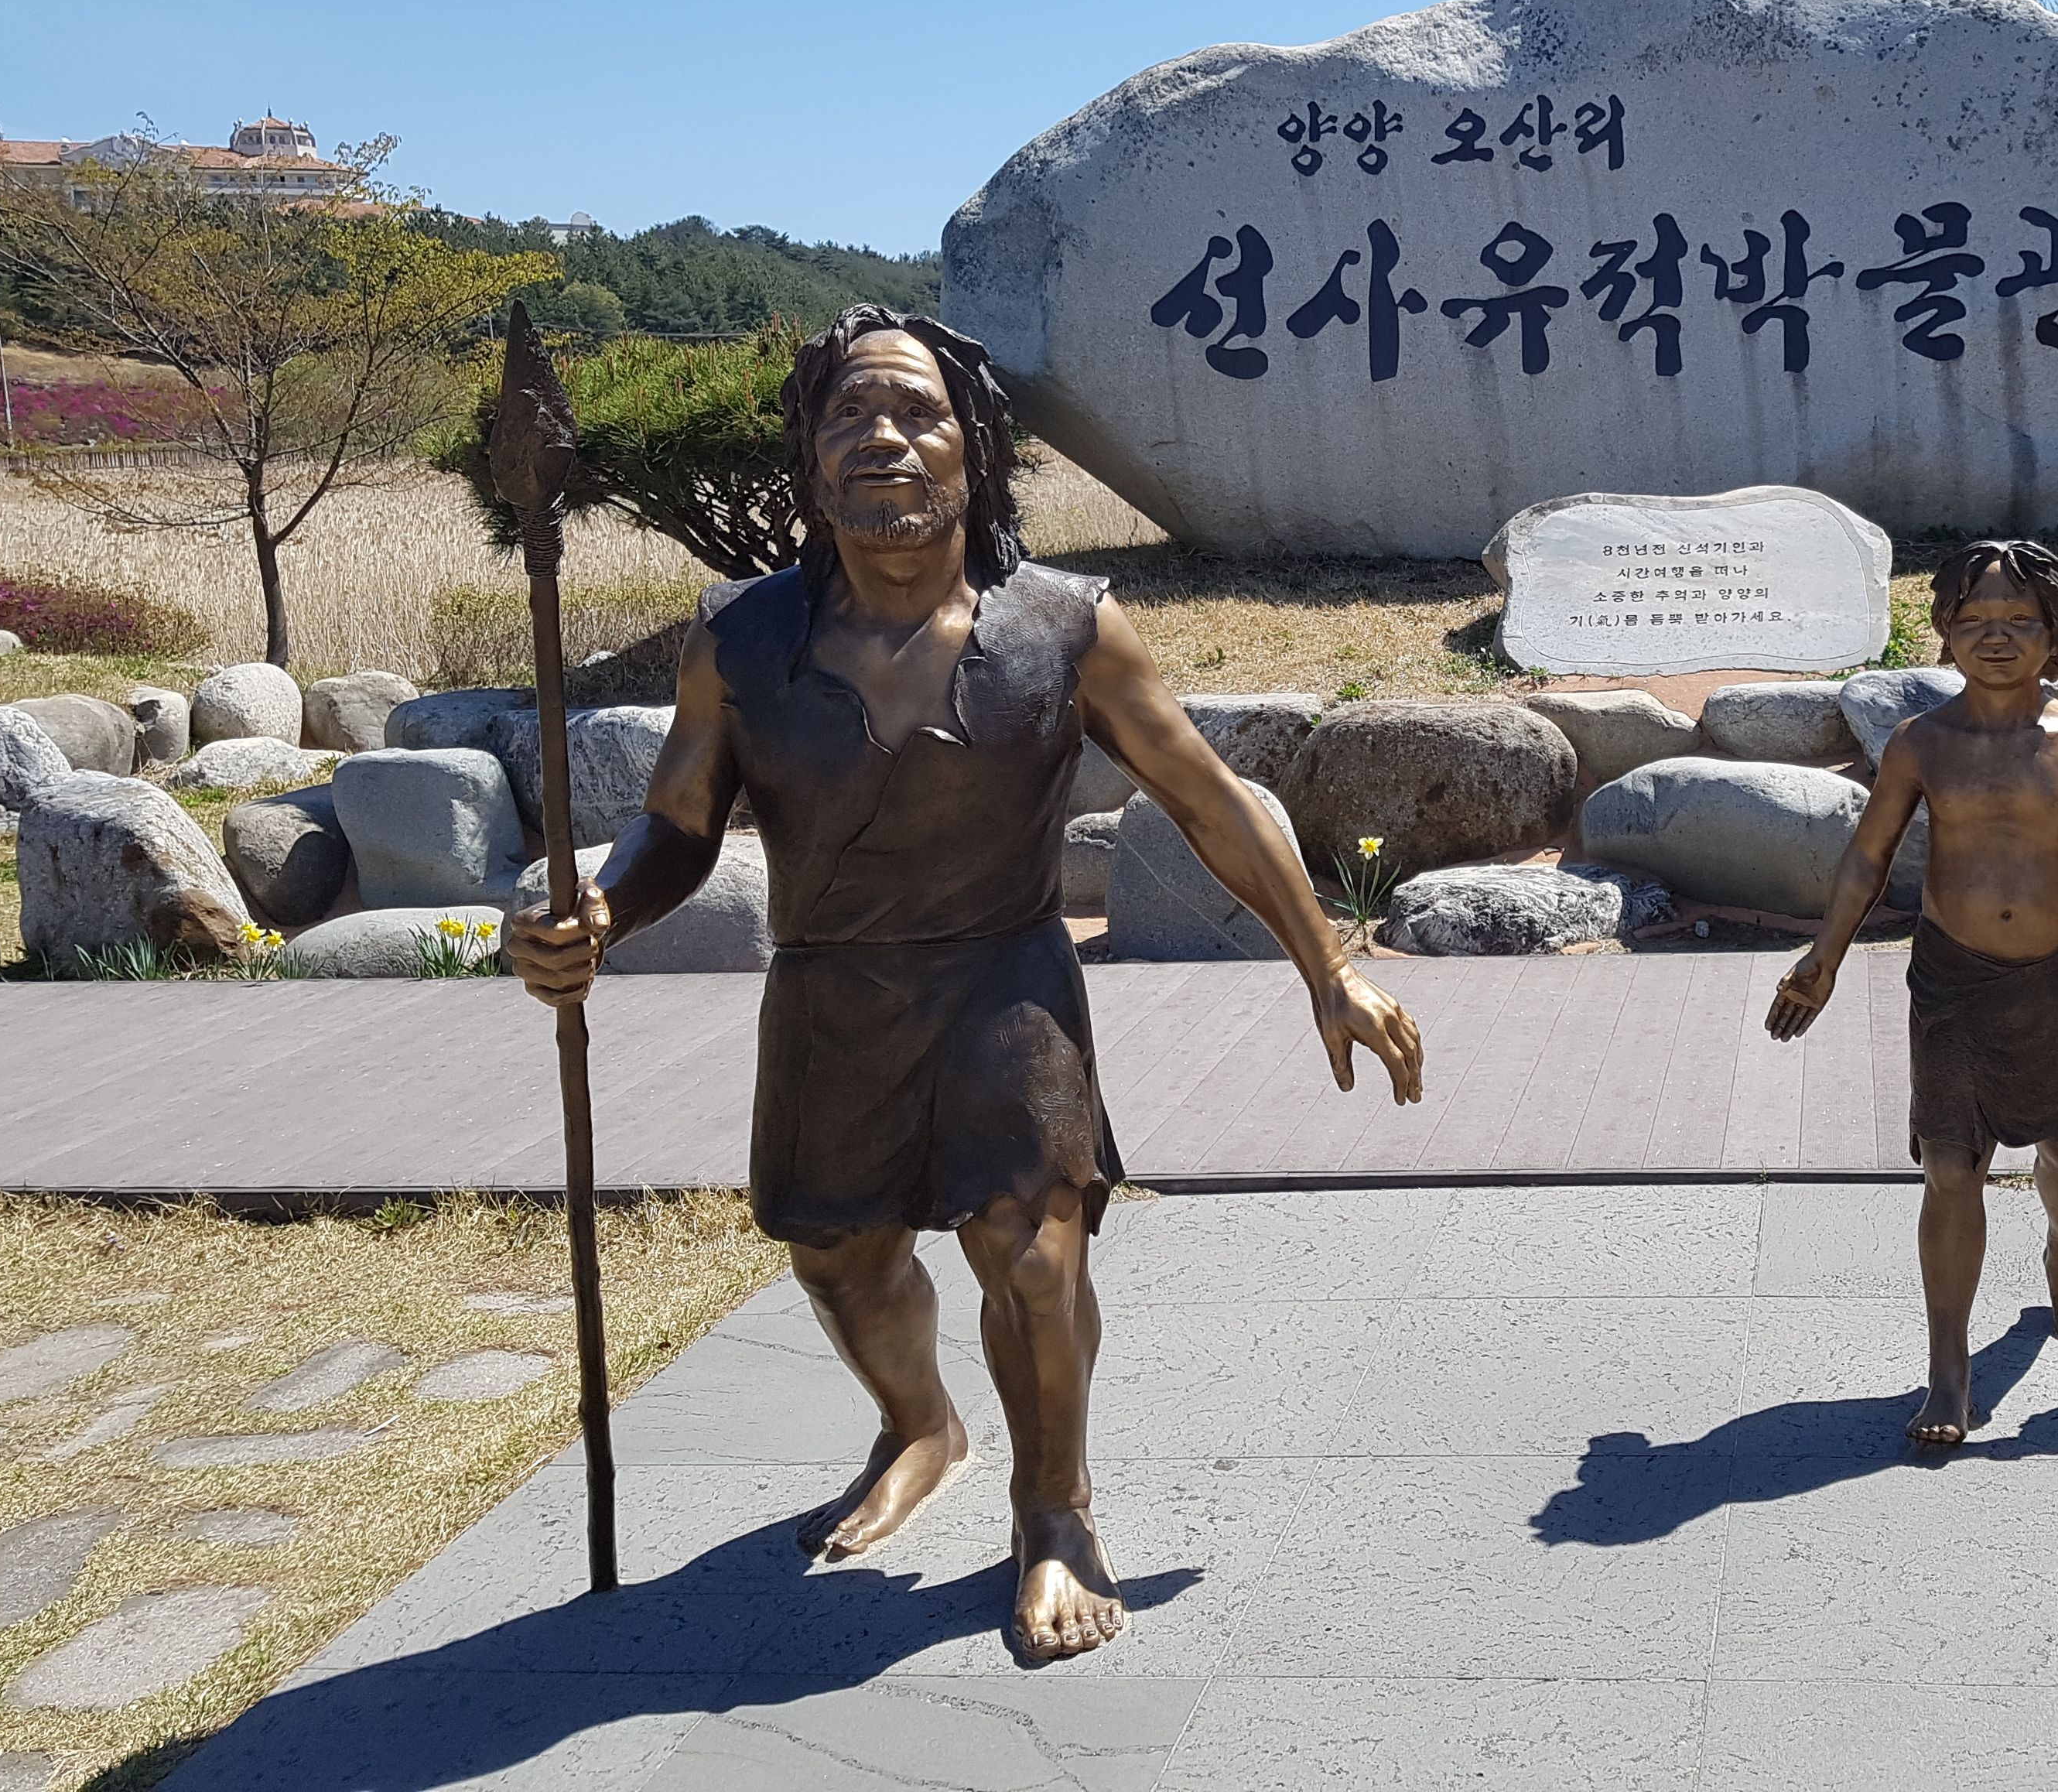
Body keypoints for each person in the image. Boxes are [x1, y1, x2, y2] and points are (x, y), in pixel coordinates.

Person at [505, 305, 1423, 1658]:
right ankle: (920, 1424)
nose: (882, 436)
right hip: (830, 995)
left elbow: (1210, 797)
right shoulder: (739, 641)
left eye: (917, 411)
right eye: (848, 414)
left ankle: (1056, 1512)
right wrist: (598, 907)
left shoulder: (1066, 625)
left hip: (1007, 985)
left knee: (1034, 1258)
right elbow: (680, 827)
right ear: (810, 457)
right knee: (840, 1259)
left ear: (973, 449)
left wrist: (1326, 963)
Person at [1766, 538, 2058, 1444]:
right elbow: (1868, 856)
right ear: (1944, 630)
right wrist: (1825, 957)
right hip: (1952, 982)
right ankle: (1949, 1367)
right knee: (1950, 1166)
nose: (1996, 637)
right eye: (1973, 620)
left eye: (2019, 620)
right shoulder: (1921, 744)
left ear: (2056, 632)